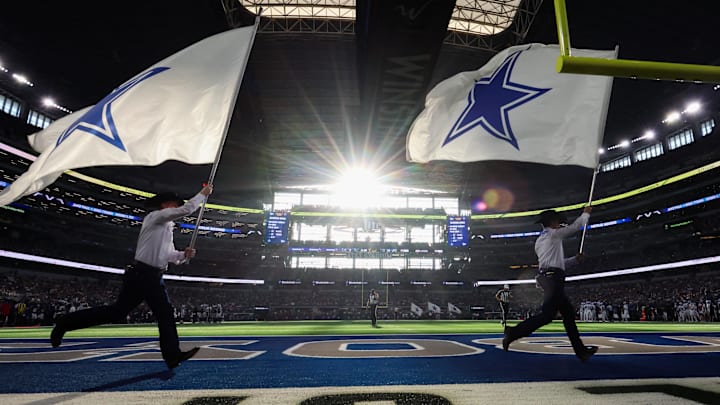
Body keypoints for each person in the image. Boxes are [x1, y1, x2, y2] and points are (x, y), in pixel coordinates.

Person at [50, 184, 213, 369]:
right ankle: (64, 323)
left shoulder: (166, 227)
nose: (176, 208)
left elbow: (168, 255)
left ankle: (172, 355)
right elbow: (187, 210)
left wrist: (184, 255)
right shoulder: (155, 217)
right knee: (139, 314)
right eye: (174, 204)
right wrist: (202, 195)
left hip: (152, 276)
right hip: (142, 275)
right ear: (165, 204)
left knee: (142, 314)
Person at [502, 206, 598, 362]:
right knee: (548, 315)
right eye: (558, 221)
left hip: (549, 277)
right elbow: (575, 227)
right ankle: (513, 333)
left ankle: (581, 351)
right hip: (553, 279)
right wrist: (585, 214)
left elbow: (556, 263)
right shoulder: (553, 235)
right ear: (553, 222)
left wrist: (575, 260)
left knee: (567, 314)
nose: (560, 224)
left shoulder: (541, 240)